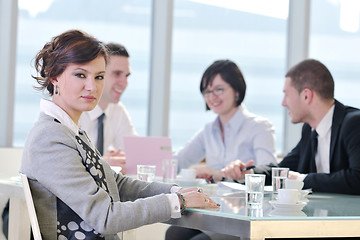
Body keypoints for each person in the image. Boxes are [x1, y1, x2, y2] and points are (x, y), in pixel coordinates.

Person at [19, 29, 218, 240]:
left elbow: (118, 184)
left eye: (99, 77)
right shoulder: (49, 137)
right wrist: (177, 202)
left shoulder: (69, 130)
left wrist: (175, 191)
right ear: (54, 77)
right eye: (80, 75)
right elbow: (105, 217)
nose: (92, 86)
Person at [222, 59, 360, 195]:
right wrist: (248, 173)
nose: (283, 103)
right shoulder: (309, 130)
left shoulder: (354, 123)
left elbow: (357, 178)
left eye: (286, 94)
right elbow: (282, 170)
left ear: (306, 95)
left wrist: (301, 180)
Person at [174, 59, 277, 181]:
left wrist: (219, 175)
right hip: (214, 199)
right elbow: (178, 161)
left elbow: (270, 173)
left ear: (237, 91)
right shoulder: (208, 131)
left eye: (219, 90)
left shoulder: (260, 127)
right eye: (207, 91)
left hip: (247, 199)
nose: (212, 97)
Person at [80, 43, 136, 174]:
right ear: (98, 74)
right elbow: (67, 166)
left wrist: (121, 161)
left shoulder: (117, 110)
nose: (124, 83)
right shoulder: (75, 109)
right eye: (117, 74)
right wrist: (101, 163)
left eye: (127, 76)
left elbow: (134, 156)